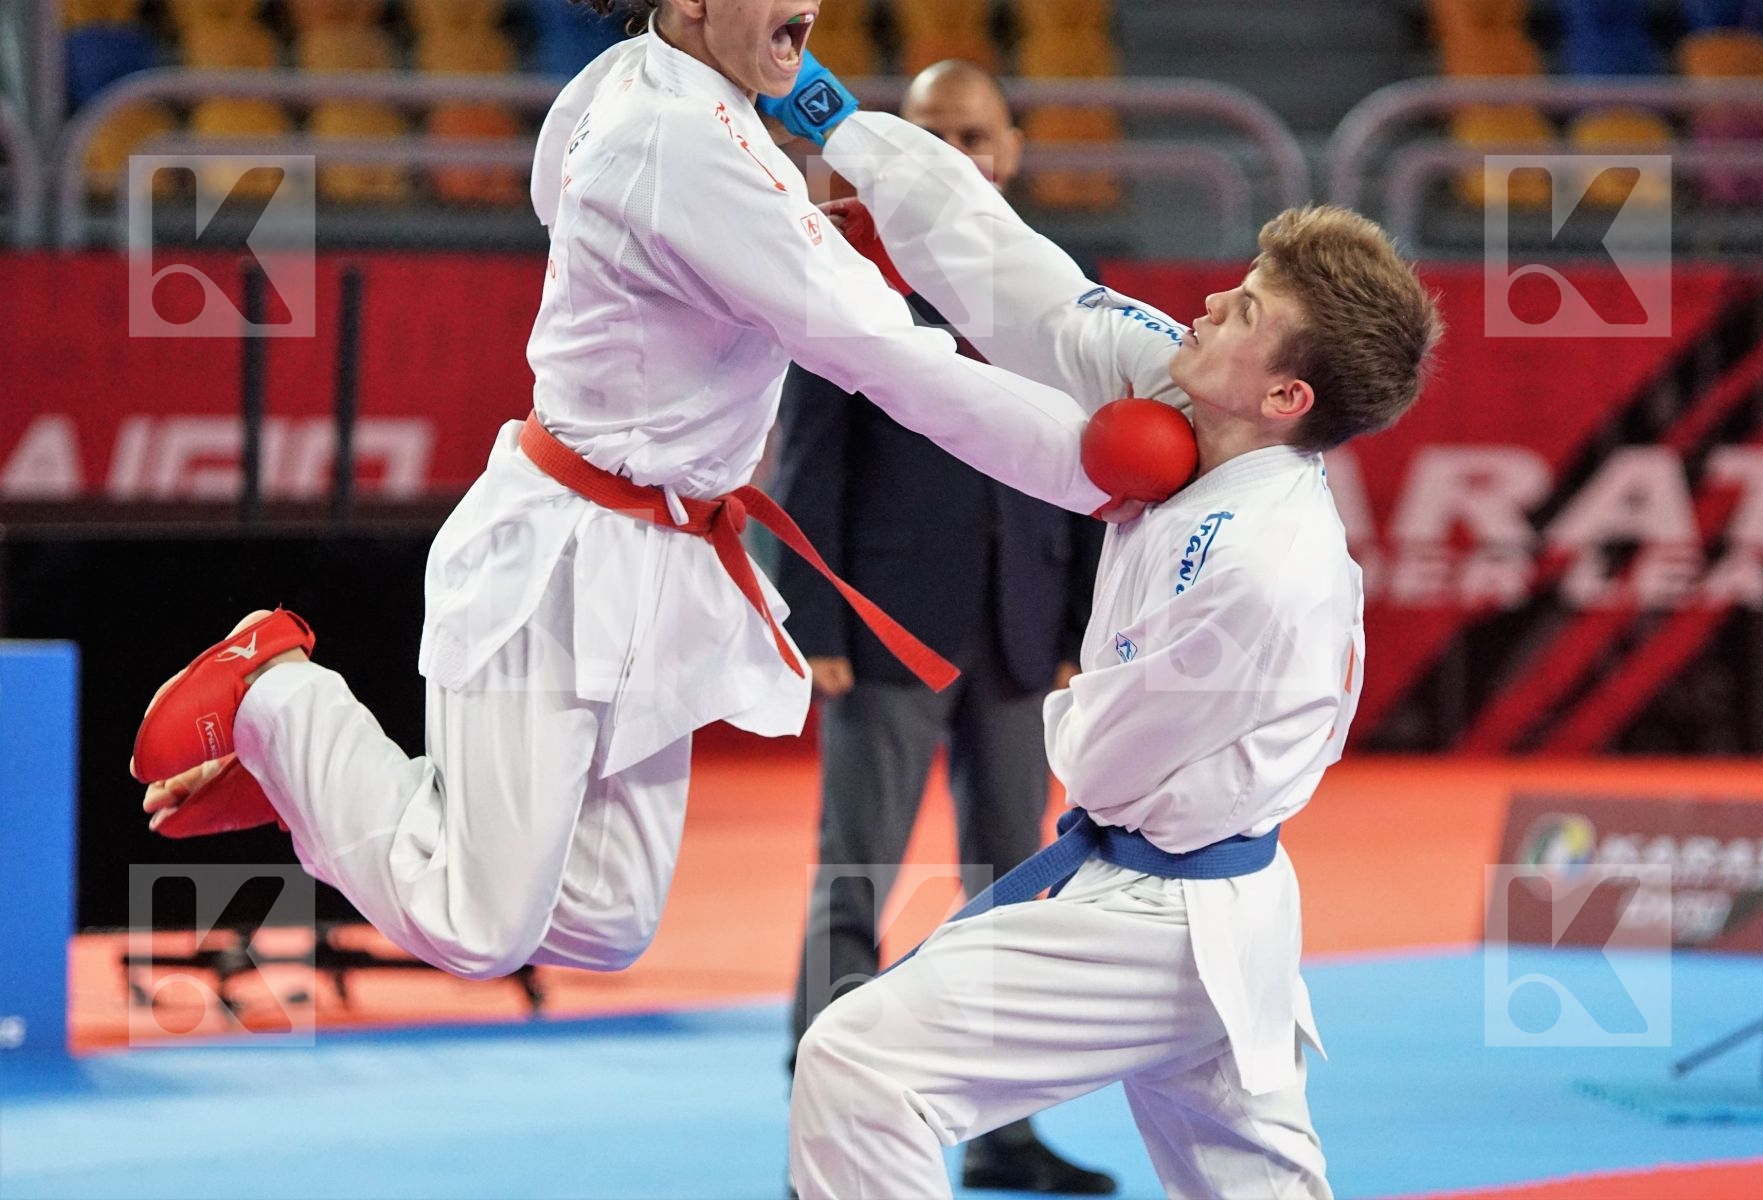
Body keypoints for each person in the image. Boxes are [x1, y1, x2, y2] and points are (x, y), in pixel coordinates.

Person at [130, 1, 1145, 986]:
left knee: (610, 916)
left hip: (668, 556)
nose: (811, 5)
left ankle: (336, 787)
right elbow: (892, 361)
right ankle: (280, 698)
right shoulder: (677, 137)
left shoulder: (661, 90)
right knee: (476, 924)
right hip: (561, 556)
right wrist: (1099, 472)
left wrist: (780, 239)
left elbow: (571, 200)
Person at [770, 58, 1443, 1199]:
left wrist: (1090, 523)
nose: (1209, 304)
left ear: (1288, 398)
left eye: (1246, 312)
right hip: (1198, 910)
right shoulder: (1188, 402)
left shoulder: (1266, 567)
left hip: (1161, 912)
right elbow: (1011, 273)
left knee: (858, 1061)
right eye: (1236, 282)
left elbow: (1101, 760)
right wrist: (826, 111)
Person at [777, 60, 1112, 1195]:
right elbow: (807, 463)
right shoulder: (851, 273)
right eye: (934, 134)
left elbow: (1095, 468)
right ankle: (819, 1119)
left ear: (1013, 149)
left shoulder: (1062, 286)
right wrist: (814, 613)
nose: (958, 154)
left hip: (1021, 632)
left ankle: (1003, 1131)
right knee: (855, 876)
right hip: (883, 629)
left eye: (975, 134)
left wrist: (1079, 620)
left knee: (1013, 893)